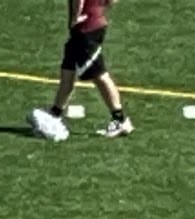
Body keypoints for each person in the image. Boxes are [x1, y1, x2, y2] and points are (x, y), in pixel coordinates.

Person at [32, 0, 133, 141]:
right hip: (91, 26)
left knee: (99, 75)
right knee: (68, 71)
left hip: (86, 30)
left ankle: (120, 119)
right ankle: (55, 114)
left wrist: (75, 17)